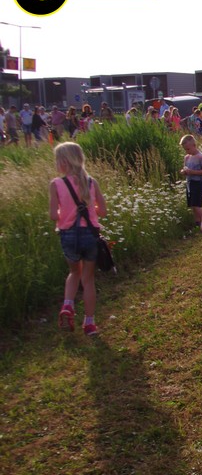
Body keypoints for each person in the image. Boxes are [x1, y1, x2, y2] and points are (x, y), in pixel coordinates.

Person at [49, 142, 108, 336]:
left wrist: (64, 213)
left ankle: (68, 304)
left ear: (64, 162)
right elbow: (103, 211)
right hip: (90, 235)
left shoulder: (56, 184)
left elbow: (53, 215)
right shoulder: (91, 182)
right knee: (88, 279)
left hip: (68, 235)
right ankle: (89, 324)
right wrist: (91, 210)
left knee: (74, 272)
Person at [180, 134, 202, 226]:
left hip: (198, 183)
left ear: (194, 145)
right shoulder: (187, 157)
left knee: (196, 205)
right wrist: (184, 171)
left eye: (188, 149)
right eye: (185, 149)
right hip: (189, 183)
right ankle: (197, 222)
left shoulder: (201, 157)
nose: (187, 151)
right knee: (192, 205)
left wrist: (192, 172)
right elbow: (185, 168)